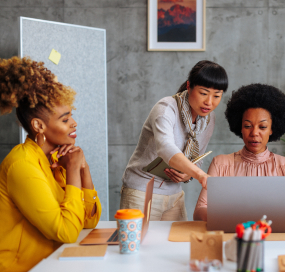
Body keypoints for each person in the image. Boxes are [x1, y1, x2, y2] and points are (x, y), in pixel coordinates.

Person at [0, 56, 102, 271]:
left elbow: (89, 221)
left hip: (53, 262)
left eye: (71, 116)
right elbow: (66, 231)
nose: (73, 123)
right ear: (39, 125)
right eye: (64, 119)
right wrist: (73, 169)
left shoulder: (56, 160)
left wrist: (84, 170)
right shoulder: (22, 165)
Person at [121, 60, 228, 221]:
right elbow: (165, 148)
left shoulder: (208, 118)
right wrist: (200, 175)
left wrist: (188, 175)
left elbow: (197, 157)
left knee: (177, 243)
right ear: (188, 86)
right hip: (142, 191)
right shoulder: (166, 108)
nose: (209, 102)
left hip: (174, 194)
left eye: (217, 96)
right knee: (139, 245)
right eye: (203, 93)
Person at [193, 83, 285, 221]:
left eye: (262, 127)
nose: (254, 133)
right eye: (247, 126)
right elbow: (199, 211)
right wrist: (230, 218)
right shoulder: (221, 164)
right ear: (240, 127)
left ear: (272, 129)